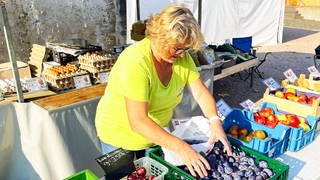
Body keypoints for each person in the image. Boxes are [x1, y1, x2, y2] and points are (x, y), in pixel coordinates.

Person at [95, 3, 232, 178]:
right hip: (118, 136)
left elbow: (200, 92)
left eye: (186, 49)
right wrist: (181, 147)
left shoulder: (181, 59)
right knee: (123, 177)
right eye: (177, 48)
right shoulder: (136, 62)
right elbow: (138, 121)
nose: (182, 54)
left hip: (155, 134)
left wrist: (215, 121)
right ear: (160, 37)